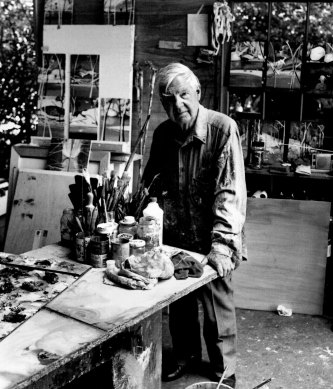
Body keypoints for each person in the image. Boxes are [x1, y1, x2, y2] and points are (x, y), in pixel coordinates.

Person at [142, 63, 247, 388]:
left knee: (217, 307)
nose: (178, 106)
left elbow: (230, 191)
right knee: (181, 306)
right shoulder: (162, 134)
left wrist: (223, 244)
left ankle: (224, 370)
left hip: (213, 234)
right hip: (177, 235)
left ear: (198, 93)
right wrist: (140, 221)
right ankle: (184, 356)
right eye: (169, 100)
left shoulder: (222, 129)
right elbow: (151, 185)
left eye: (184, 96)